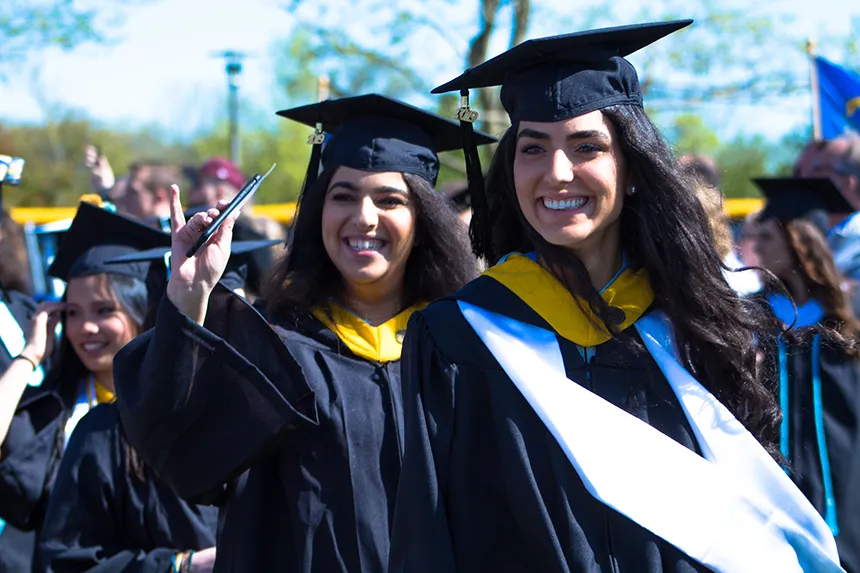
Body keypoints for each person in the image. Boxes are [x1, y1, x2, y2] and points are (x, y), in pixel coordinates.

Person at [390, 20, 843, 572]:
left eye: (587, 147)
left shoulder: (702, 330)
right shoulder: (459, 337)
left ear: (631, 168)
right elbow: (427, 537)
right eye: (533, 148)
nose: (557, 173)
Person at [113, 94, 493, 572]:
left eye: (390, 199)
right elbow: (177, 453)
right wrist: (189, 298)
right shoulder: (270, 350)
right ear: (317, 212)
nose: (364, 217)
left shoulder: (462, 353)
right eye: (343, 196)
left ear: (423, 220)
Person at [0, 202, 170, 573]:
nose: (86, 328)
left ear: (141, 311)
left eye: (104, 310)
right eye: (73, 312)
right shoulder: (53, 411)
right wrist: (29, 356)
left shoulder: (175, 403)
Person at [750, 178, 860, 572]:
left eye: (767, 236)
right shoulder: (747, 315)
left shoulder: (848, 317)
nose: (757, 246)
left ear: (798, 240)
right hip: (771, 493)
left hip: (847, 492)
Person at [186, 157, 285, 298]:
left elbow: (270, 292)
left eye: (197, 184)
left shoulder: (251, 234)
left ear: (219, 193)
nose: (190, 191)